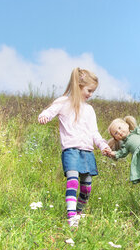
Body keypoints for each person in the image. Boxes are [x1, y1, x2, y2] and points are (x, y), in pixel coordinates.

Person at [38, 67, 112, 227]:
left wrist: (103, 145)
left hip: (87, 152)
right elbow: (49, 112)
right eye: (89, 90)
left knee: (87, 186)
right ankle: (71, 216)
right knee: (72, 180)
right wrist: (43, 116)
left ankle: (78, 212)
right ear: (78, 86)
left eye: (93, 91)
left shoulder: (90, 110)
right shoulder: (63, 102)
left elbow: (94, 132)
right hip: (70, 150)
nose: (90, 94)